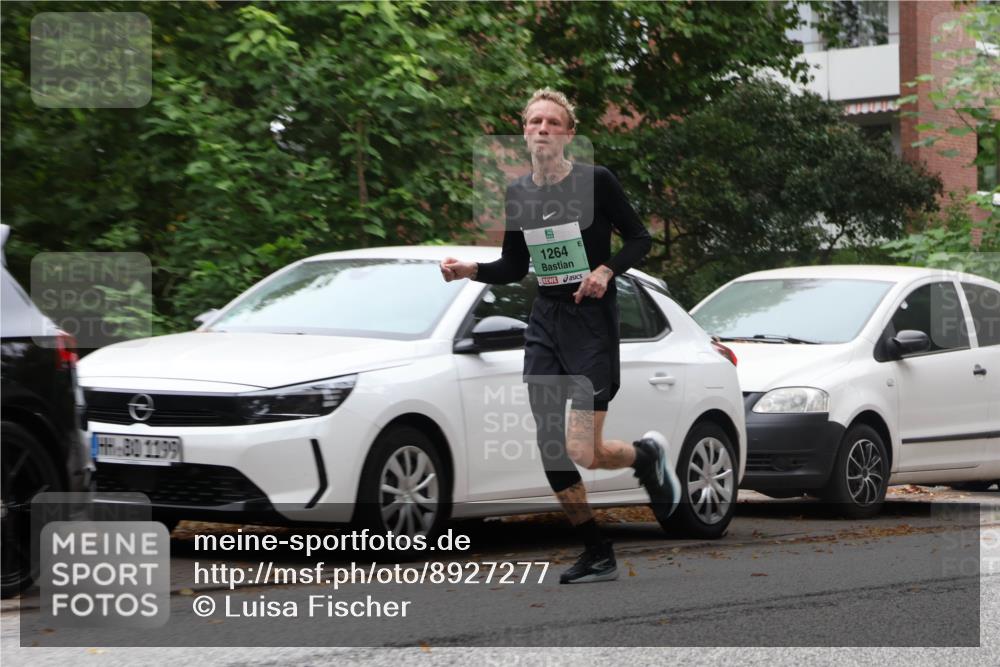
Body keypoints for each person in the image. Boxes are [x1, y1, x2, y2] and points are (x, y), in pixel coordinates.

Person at [440, 88, 680, 584]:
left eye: (553, 122)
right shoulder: (519, 193)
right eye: (534, 122)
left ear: (570, 134)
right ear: (524, 131)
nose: (542, 129)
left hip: (591, 320)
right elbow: (514, 265)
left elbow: (640, 237)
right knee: (551, 442)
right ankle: (597, 549)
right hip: (546, 320)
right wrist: (471, 268)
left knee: (583, 450)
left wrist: (606, 271)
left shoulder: (597, 182)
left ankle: (644, 456)